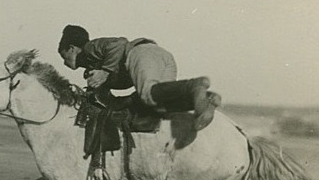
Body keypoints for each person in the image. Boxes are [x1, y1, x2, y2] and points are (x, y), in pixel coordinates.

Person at [57, 24, 219, 131]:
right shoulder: (95, 64)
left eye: (64, 57)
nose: (65, 63)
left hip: (140, 53)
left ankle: (194, 85)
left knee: (148, 94)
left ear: (71, 49)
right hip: (160, 56)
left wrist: (105, 72)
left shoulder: (89, 48)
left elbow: (119, 44)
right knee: (162, 104)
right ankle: (206, 100)